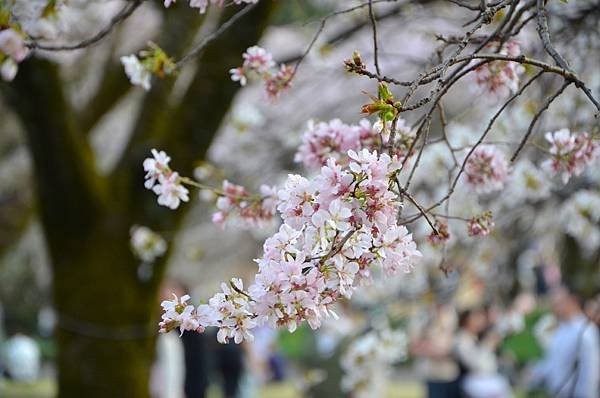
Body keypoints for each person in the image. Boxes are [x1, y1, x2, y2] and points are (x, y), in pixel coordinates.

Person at [529, 286, 600, 398]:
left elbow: (590, 374)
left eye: (558, 302)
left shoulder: (586, 332)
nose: (554, 306)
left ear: (573, 301)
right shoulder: (561, 329)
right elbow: (552, 363)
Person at [454, 308, 513, 398]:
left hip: (490, 378)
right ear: (466, 321)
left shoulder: (478, 336)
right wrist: (488, 344)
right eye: (476, 319)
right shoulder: (461, 339)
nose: (480, 322)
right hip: (475, 380)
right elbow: (475, 364)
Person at [411, 303, 461, 398]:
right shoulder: (423, 315)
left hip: (452, 374)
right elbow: (415, 346)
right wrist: (435, 351)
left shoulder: (453, 312)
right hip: (432, 374)